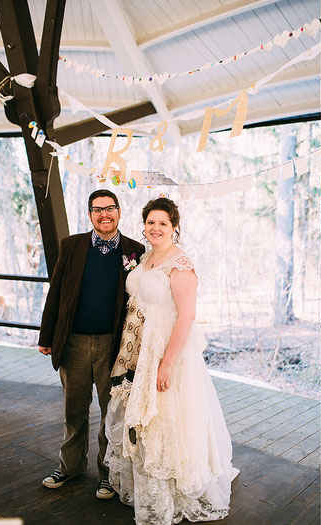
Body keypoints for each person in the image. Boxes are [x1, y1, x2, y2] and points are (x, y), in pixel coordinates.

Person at [104, 197, 238, 524]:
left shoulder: (180, 264)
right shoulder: (146, 258)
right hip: (137, 347)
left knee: (165, 418)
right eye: (151, 222)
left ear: (174, 228)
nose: (156, 228)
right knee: (141, 420)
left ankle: (170, 492)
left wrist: (165, 363)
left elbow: (186, 317)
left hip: (166, 350)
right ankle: (143, 488)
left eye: (163, 223)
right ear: (144, 225)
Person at [38, 189, 145, 499]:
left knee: (110, 412)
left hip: (113, 347)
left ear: (120, 212)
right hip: (73, 343)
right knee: (74, 411)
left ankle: (107, 474)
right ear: (89, 215)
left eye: (110, 208)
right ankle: (69, 467)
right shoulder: (71, 246)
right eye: (97, 210)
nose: (104, 214)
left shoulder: (134, 251)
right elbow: (56, 291)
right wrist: (47, 336)